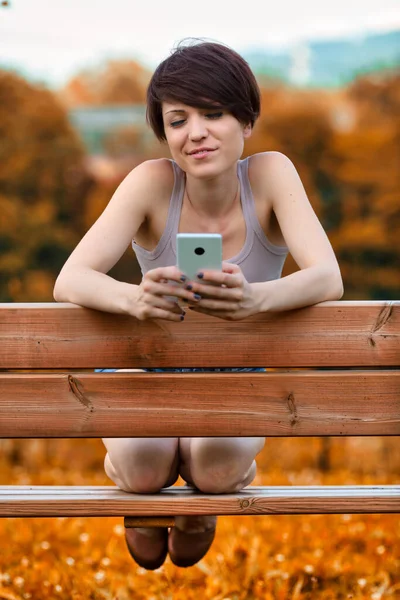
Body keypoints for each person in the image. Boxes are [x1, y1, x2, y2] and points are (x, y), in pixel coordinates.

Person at [53, 40, 343, 570]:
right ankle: (139, 482)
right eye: (178, 120)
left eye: (214, 114)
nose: (197, 133)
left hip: (237, 380)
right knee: (143, 472)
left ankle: (208, 493)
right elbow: (70, 278)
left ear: (247, 121)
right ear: (164, 133)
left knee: (213, 469)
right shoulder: (150, 182)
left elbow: (328, 277)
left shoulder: (271, 175)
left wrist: (256, 299)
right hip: (147, 371)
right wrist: (135, 297)